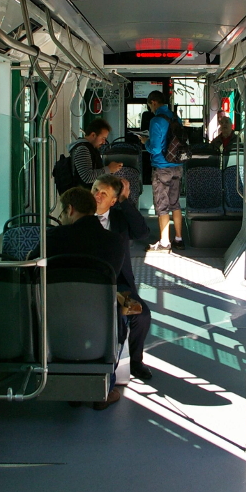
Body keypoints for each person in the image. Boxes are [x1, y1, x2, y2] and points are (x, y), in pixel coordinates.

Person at [34, 186, 126, 410]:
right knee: (122, 319)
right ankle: (105, 389)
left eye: (63, 214)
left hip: (54, 319)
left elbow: (31, 270)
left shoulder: (51, 238)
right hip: (98, 322)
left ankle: (69, 386)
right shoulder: (115, 242)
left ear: (70, 209)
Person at [91, 174, 153, 381]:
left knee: (141, 315)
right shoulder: (79, 216)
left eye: (104, 194)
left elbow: (142, 232)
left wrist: (126, 201)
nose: (97, 196)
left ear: (113, 201)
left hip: (118, 286)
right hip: (88, 285)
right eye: (95, 190)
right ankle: (104, 366)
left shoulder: (119, 218)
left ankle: (135, 361)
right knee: (113, 319)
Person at [140, 90, 185, 252]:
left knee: (162, 205)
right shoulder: (175, 117)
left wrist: (145, 142)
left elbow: (155, 148)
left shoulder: (156, 120)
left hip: (162, 167)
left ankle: (165, 242)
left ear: (153, 102)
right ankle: (179, 239)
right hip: (177, 166)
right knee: (175, 203)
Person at [71, 117, 123, 189]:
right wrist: (109, 169)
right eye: (103, 138)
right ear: (93, 135)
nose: (104, 142)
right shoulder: (83, 149)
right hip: (83, 195)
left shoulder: (90, 149)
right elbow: (87, 177)